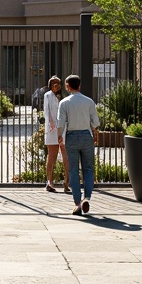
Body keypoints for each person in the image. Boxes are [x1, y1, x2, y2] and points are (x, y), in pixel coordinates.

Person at [56, 73, 100, 216]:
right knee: (88, 169)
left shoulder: (64, 103)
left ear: (68, 86)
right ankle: (86, 198)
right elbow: (95, 122)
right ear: (79, 86)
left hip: (72, 137)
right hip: (86, 135)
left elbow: (60, 122)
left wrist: (59, 136)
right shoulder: (89, 101)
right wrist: (95, 134)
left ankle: (77, 203)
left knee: (74, 170)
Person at [42, 76, 71, 194]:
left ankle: (67, 182)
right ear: (50, 85)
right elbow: (47, 111)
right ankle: (49, 181)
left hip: (63, 129)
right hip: (52, 129)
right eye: (54, 83)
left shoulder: (65, 96)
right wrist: (51, 124)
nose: (56, 85)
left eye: (58, 83)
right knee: (52, 156)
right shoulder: (48, 95)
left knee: (66, 157)